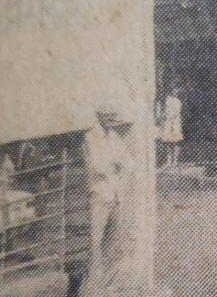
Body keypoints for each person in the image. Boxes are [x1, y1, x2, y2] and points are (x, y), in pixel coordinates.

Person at [81, 106, 135, 297]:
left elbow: (129, 161)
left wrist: (118, 169)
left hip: (115, 194)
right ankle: (93, 289)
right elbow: (98, 166)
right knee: (95, 243)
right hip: (99, 195)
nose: (111, 120)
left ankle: (109, 287)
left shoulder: (113, 136)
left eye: (113, 117)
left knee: (113, 243)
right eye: (108, 116)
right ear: (99, 116)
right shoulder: (91, 137)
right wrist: (115, 164)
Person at [161, 87, 183, 169]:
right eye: (174, 90)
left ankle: (175, 162)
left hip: (175, 122)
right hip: (168, 122)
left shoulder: (178, 101)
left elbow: (176, 112)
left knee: (176, 142)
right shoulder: (167, 99)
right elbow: (165, 111)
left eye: (177, 91)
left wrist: (171, 118)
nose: (176, 92)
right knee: (168, 142)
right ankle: (169, 161)